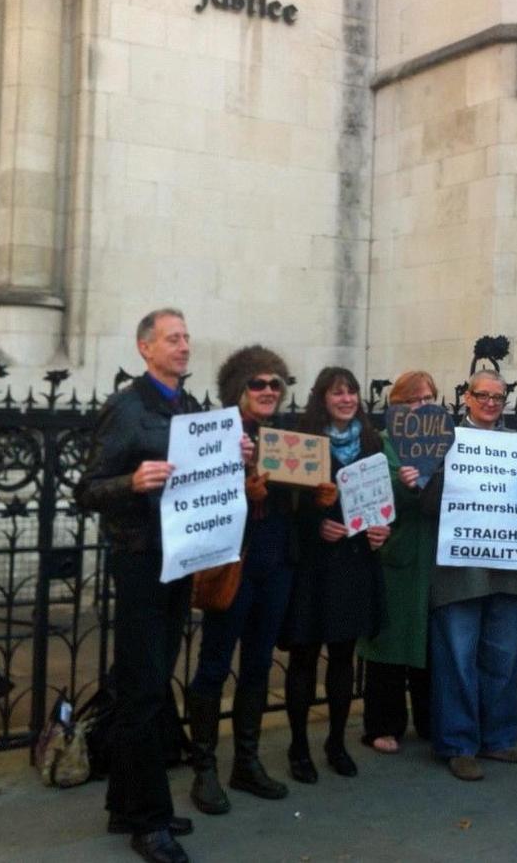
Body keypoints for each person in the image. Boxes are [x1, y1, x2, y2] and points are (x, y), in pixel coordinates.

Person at [77, 308, 233, 863]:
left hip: (180, 558)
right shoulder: (125, 408)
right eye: (173, 339)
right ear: (145, 348)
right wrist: (131, 480)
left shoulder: (189, 407)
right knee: (144, 690)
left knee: (149, 681)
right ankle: (149, 821)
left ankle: (125, 804)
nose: (185, 346)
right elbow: (88, 489)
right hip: (141, 559)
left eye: (188, 337)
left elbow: (202, 476)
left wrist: (234, 458)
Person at [184, 346, 298, 814]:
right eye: (258, 383)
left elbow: (302, 500)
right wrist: (238, 482)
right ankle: (204, 769)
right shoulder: (215, 433)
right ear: (238, 389)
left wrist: (322, 496)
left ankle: (245, 762)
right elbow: (193, 498)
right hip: (232, 566)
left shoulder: (287, 437)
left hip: (275, 566)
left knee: (257, 666)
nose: (269, 390)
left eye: (276, 383)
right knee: (213, 666)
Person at [420, 369, 517, 782]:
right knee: (456, 658)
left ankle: (498, 737)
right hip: (458, 570)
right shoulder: (446, 443)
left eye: (499, 396)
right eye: (483, 395)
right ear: (467, 398)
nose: (491, 402)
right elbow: (428, 501)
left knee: (503, 657)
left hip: (507, 570)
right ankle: (458, 744)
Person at [281, 366, 389, 783]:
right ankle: (297, 746)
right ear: (321, 399)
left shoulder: (370, 441)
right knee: (305, 657)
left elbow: (379, 501)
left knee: (344, 658)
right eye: (336, 393)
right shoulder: (305, 443)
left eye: (351, 392)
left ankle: (336, 742)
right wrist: (315, 526)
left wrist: (382, 529)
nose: (345, 399)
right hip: (313, 565)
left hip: (355, 561)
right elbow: (285, 508)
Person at [357, 371, 439, 753]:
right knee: (389, 645)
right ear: (398, 405)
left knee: (428, 645)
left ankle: (429, 719)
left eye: (428, 399)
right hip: (398, 553)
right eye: (414, 400)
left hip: (434, 555)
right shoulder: (383, 443)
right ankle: (382, 724)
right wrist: (403, 485)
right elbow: (375, 492)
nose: (422, 407)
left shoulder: (442, 444)